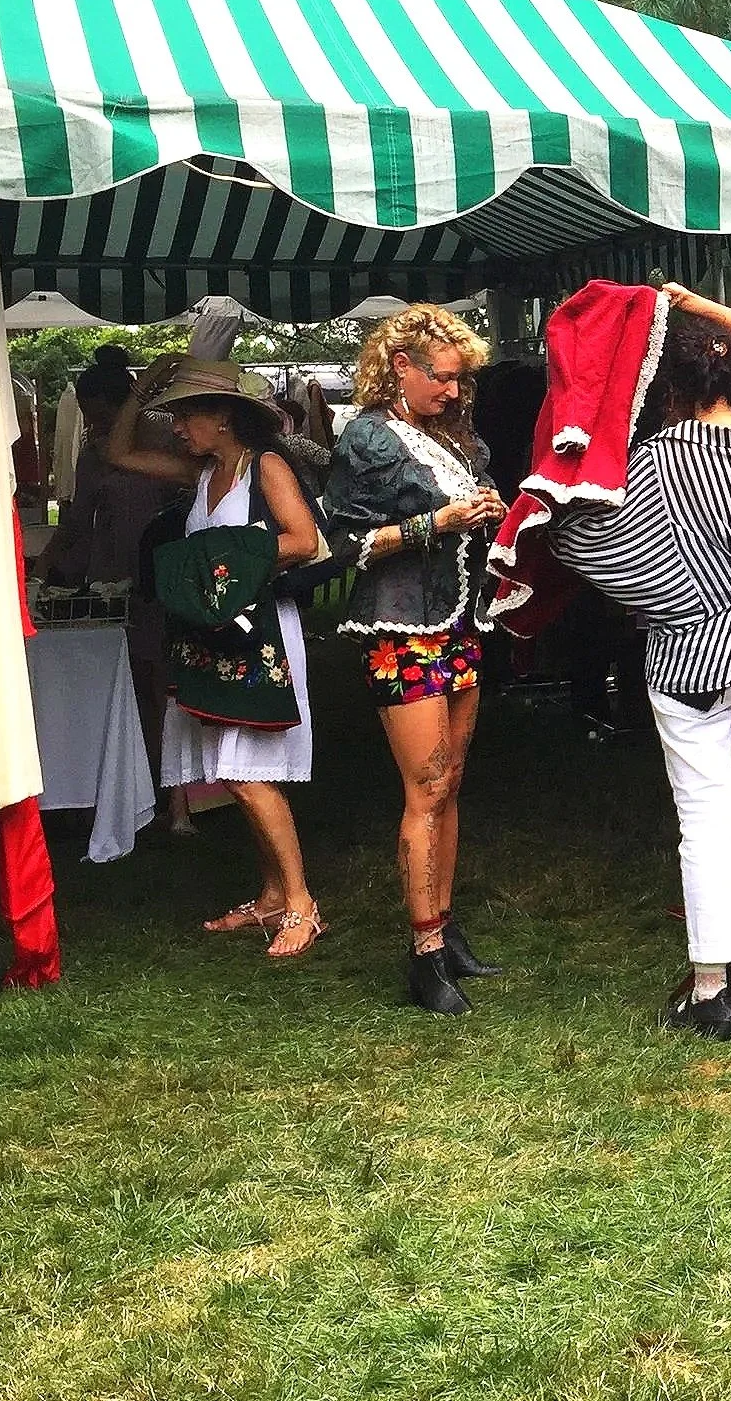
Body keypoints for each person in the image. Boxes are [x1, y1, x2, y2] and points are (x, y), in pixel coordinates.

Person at [549, 284, 731, 1042]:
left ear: (664, 386)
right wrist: (695, 302)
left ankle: (712, 987)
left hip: (694, 657)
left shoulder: (651, 464)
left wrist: (670, 594)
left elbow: (581, 541)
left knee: (705, 817)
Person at [108, 356, 327, 958]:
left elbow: (304, 539)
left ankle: (302, 904)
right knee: (232, 769)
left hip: (259, 635)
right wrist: (145, 386)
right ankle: (272, 895)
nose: (177, 428)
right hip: (215, 637)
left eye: (185, 415)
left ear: (223, 417)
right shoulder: (200, 475)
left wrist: (225, 564)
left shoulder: (267, 467)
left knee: (245, 771)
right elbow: (120, 454)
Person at [324, 304, 506, 1016]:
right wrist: (434, 523)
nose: (455, 392)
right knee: (425, 790)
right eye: (445, 377)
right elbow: (341, 547)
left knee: (451, 784)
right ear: (401, 365)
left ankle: (446, 926)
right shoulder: (368, 437)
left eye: (461, 380)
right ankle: (424, 952)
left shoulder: (445, 435)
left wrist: (483, 508)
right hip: (399, 627)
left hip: (457, 620)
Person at [41, 346, 178, 809]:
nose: (88, 419)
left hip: (154, 569)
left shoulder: (157, 439)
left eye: (92, 410)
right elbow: (78, 520)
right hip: (114, 576)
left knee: (156, 676)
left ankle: (164, 780)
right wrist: (46, 569)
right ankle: (135, 777)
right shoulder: (96, 449)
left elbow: (79, 520)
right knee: (130, 678)